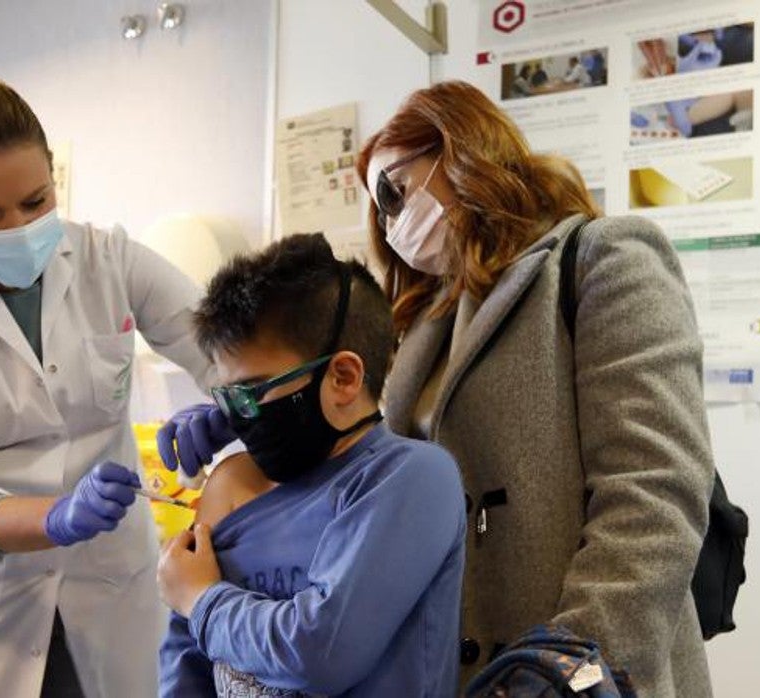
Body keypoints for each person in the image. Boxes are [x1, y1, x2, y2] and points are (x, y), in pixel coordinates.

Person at [159, 80, 715, 697]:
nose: (393, 220)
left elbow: (653, 494)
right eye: (381, 209)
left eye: (397, 189)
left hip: (565, 668)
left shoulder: (599, 259)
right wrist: (244, 413)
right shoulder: (422, 319)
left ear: (462, 148)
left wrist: (569, 668)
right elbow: (355, 429)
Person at [0, 75, 216, 698]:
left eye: (35, 201)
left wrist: (231, 408)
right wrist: (55, 517)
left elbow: (227, 346)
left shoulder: (113, 260)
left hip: (108, 590)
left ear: (54, 175)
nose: (18, 227)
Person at [155, 233, 466, 697]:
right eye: (229, 396)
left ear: (343, 377)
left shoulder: (412, 478)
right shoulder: (233, 484)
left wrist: (202, 600)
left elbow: (320, 651)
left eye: (254, 392)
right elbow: (186, 660)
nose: (240, 414)